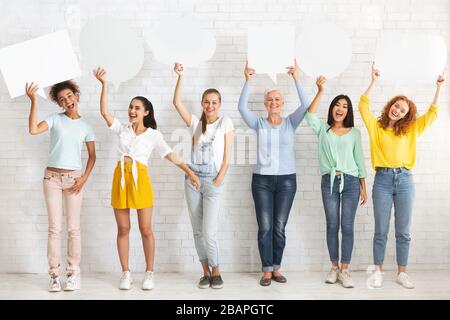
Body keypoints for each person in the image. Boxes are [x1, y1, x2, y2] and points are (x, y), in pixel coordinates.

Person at [94, 68, 200, 290]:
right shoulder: (122, 129)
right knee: (123, 229)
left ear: (146, 112)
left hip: (140, 179)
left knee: (146, 229)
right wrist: (103, 84)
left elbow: (170, 155)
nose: (132, 110)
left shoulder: (154, 135)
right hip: (120, 178)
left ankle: (149, 273)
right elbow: (104, 112)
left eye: (136, 108)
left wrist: (189, 172)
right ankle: (125, 273)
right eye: (131, 107)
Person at [360, 63, 445, 289]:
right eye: (396, 106)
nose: (398, 110)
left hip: (405, 180)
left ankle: (402, 272)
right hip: (382, 181)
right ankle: (378, 271)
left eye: (403, 110)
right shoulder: (376, 128)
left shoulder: (411, 129)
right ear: (391, 105)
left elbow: (432, 113)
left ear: (407, 116)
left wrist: (439, 87)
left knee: (403, 231)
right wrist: (374, 81)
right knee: (381, 229)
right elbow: (362, 105)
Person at [238, 60, 308, 286]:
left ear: (282, 103)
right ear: (265, 104)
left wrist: (296, 78)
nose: (273, 103)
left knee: (279, 227)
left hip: (287, 181)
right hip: (262, 182)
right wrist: (247, 81)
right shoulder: (258, 123)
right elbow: (241, 108)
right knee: (265, 226)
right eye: (270, 100)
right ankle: (267, 269)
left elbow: (306, 104)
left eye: (277, 100)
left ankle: (277, 267)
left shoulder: (290, 123)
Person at [26, 80, 96, 292]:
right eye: (62, 99)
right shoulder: (55, 120)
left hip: (74, 179)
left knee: (73, 228)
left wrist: (83, 178)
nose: (67, 101)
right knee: (54, 228)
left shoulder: (86, 126)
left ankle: (73, 273)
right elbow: (33, 130)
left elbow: (93, 156)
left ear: (76, 95)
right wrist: (34, 101)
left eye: (69, 96)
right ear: (59, 103)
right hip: (52, 179)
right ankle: (55, 275)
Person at [172, 62, 234, 289]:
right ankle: (205, 272)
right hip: (193, 180)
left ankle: (217, 270)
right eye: (206, 102)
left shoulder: (225, 122)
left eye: (214, 102)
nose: (210, 106)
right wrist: (180, 76)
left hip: (213, 180)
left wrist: (219, 179)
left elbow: (227, 157)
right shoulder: (197, 125)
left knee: (209, 230)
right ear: (202, 104)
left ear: (219, 105)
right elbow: (176, 103)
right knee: (197, 229)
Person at [305, 76, 367, 288]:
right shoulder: (323, 130)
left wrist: (363, 187)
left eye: (345, 106)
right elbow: (309, 114)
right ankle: (333, 267)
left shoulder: (355, 133)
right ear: (332, 108)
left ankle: (345, 270)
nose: (341, 109)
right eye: (338, 105)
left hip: (350, 182)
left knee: (347, 226)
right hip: (329, 181)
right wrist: (320, 91)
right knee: (332, 225)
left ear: (348, 112)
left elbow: (360, 161)